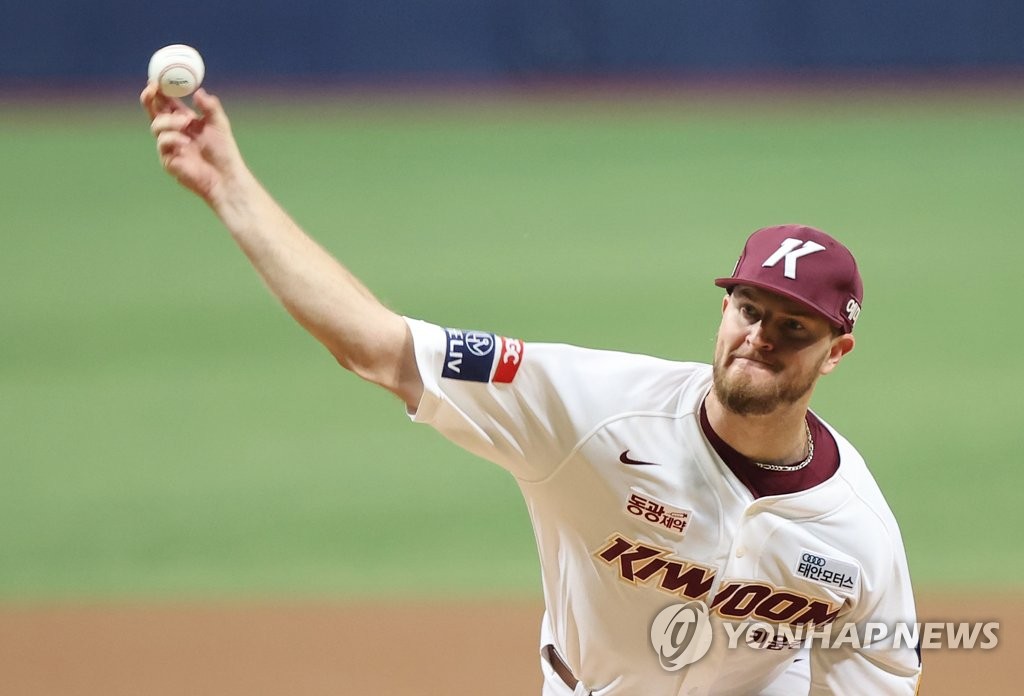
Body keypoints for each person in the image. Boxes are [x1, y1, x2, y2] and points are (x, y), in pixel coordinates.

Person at [141, 83, 922, 695]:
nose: (761, 338)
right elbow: (377, 347)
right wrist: (229, 187)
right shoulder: (590, 407)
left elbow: (874, 678)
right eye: (751, 311)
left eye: (794, 328)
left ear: (835, 352)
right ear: (725, 311)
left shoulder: (857, 532)